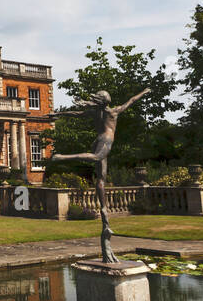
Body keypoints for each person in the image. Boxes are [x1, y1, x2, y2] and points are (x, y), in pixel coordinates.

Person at [46, 88, 150, 263]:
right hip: (106, 141)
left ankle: (103, 208)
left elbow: (76, 113)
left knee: (101, 178)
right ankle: (63, 157)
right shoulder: (113, 111)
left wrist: (58, 113)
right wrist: (144, 92)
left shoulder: (95, 112)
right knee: (96, 157)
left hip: (98, 140)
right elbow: (131, 99)